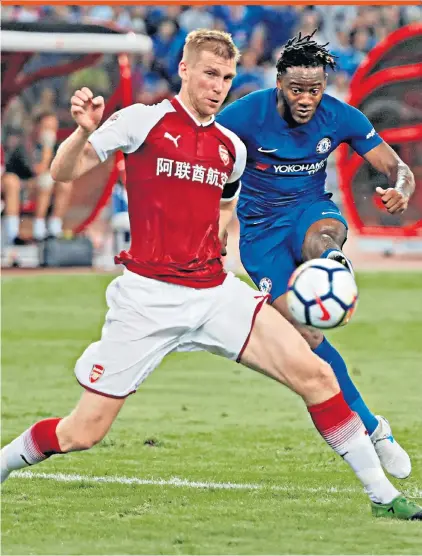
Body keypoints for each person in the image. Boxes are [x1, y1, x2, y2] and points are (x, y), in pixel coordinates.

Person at [1, 29, 420, 521]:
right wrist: (81, 132)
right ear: (184, 70)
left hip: (215, 291)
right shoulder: (141, 122)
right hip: (149, 299)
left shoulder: (229, 147)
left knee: (316, 373)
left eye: (225, 77)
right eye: (209, 74)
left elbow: (226, 199)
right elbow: (63, 173)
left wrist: (220, 229)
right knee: (81, 433)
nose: (217, 86)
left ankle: (383, 497)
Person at [216, 31, 416, 480]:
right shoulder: (247, 114)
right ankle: (375, 430)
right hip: (260, 236)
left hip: (310, 211)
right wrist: (214, 225)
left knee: (324, 235)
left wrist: (401, 190)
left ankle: (332, 266)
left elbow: (394, 165)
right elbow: (208, 158)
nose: (306, 99)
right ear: (280, 82)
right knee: (307, 340)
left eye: (315, 89)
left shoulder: (339, 116)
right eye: (297, 89)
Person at [2, 111, 72, 244]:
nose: (49, 133)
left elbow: (60, 171)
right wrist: (47, 149)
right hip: (21, 185)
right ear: (36, 127)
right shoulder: (23, 146)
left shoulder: (56, 146)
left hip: (43, 187)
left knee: (64, 184)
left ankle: (54, 229)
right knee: (45, 180)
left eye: (53, 128)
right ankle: (35, 231)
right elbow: (36, 171)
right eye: (46, 128)